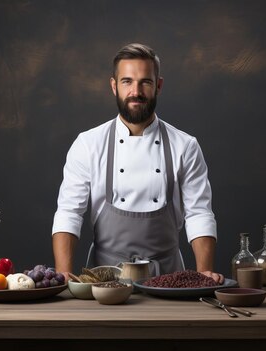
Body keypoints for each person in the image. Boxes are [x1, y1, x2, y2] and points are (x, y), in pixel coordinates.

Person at [52, 43, 223, 283]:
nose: (136, 91)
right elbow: (69, 213)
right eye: (127, 81)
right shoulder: (88, 144)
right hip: (104, 280)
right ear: (114, 86)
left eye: (145, 82)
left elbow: (199, 213)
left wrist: (203, 273)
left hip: (169, 278)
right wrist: (63, 274)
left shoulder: (185, 145)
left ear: (158, 86)